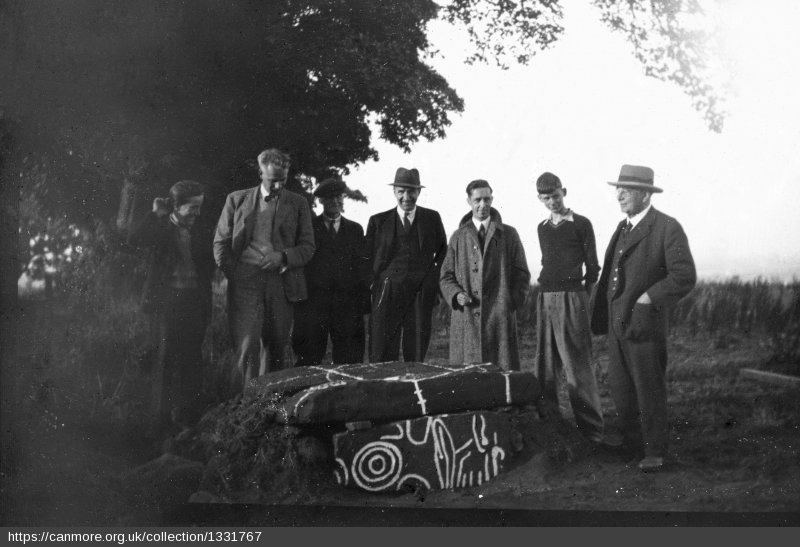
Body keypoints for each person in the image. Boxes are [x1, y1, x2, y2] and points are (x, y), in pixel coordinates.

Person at [590, 164, 696, 472]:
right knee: (622, 389)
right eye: (618, 189)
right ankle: (632, 443)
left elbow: (683, 275)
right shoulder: (622, 227)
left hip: (644, 325)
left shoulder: (666, 227)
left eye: (627, 189)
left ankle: (654, 452)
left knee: (649, 388)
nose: (619, 194)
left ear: (646, 194)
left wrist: (649, 298)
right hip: (617, 324)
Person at [213, 148, 315, 388]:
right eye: (273, 180)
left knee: (277, 344)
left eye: (283, 180)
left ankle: (270, 408)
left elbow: (308, 247)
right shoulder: (236, 200)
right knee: (247, 345)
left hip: (281, 284)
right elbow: (220, 243)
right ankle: (245, 408)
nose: (278, 186)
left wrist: (283, 257)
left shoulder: (299, 203)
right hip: (245, 282)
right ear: (260, 173)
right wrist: (235, 274)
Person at [128, 180, 214, 429]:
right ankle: (161, 420)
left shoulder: (200, 229)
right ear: (176, 207)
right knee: (164, 359)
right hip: (166, 303)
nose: (197, 213)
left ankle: (190, 418)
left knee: (192, 359)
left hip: (194, 301)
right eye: (192, 208)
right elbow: (134, 238)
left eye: (200, 207)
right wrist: (155, 214)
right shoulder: (161, 228)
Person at [532, 172, 608, 445]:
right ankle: (550, 427)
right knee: (545, 367)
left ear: (564, 192)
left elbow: (593, 268)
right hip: (545, 298)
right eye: (546, 197)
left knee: (577, 367)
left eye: (555, 195)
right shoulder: (542, 227)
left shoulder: (581, 224)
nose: (552, 201)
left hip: (573, 298)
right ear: (539, 199)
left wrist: (582, 301)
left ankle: (592, 433)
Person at [439, 179, 530, 370]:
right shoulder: (458, 236)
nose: (483, 205)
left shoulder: (509, 235)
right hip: (466, 318)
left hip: (500, 318)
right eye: (478, 200)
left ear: (492, 199)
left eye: (487, 199)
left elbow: (522, 274)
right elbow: (446, 276)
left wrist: (510, 302)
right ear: (469, 201)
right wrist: (456, 294)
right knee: (468, 379)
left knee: (502, 375)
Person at [365, 167, 447, 362]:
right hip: (387, 291)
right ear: (394, 192)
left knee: (417, 348)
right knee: (383, 349)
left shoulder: (431, 218)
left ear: (419, 192)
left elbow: (443, 252)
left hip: (419, 292)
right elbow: (366, 258)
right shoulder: (378, 221)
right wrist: (373, 286)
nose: (406, 197)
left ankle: (412, 389)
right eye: (401, 191)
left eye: (411, 191)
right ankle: (384, 389)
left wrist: (431, 282)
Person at [292, 178, 370, 366]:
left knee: (349, 358)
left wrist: (363, 304)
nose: (335, 201)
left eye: (339, 197)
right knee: (309, 357)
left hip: (346, 304)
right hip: (314, 303)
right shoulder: (308, 227)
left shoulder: (355, 229)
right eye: (329, 198)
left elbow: (361, 269)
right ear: (321, 201)